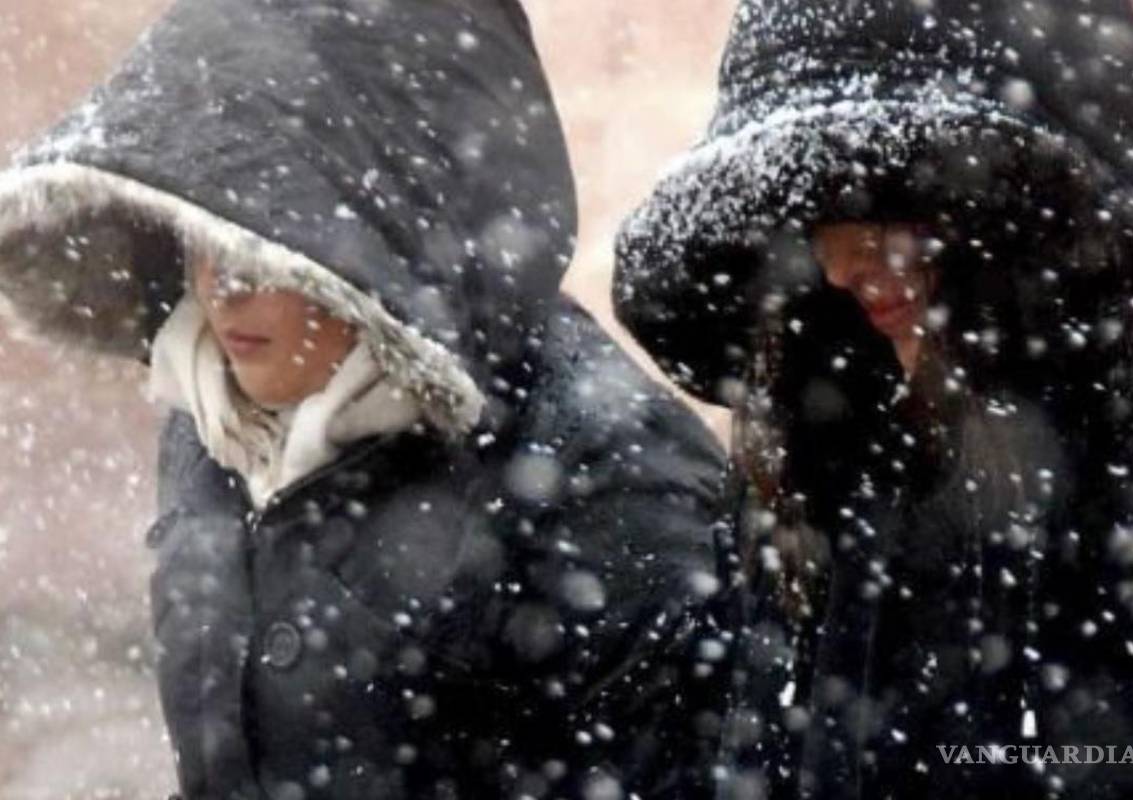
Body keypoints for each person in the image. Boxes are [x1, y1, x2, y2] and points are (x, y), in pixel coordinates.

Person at [0, 1, 728, 797]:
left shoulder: (612, 483)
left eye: (269, 236)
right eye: (204, 224)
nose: (221, 285)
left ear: (395, 227)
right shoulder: (216, 412)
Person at [615, 0, 1133, 798]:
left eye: (881, 207)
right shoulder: (820, 469)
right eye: (815, 220)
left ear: (1018, 214)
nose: (839, 267)